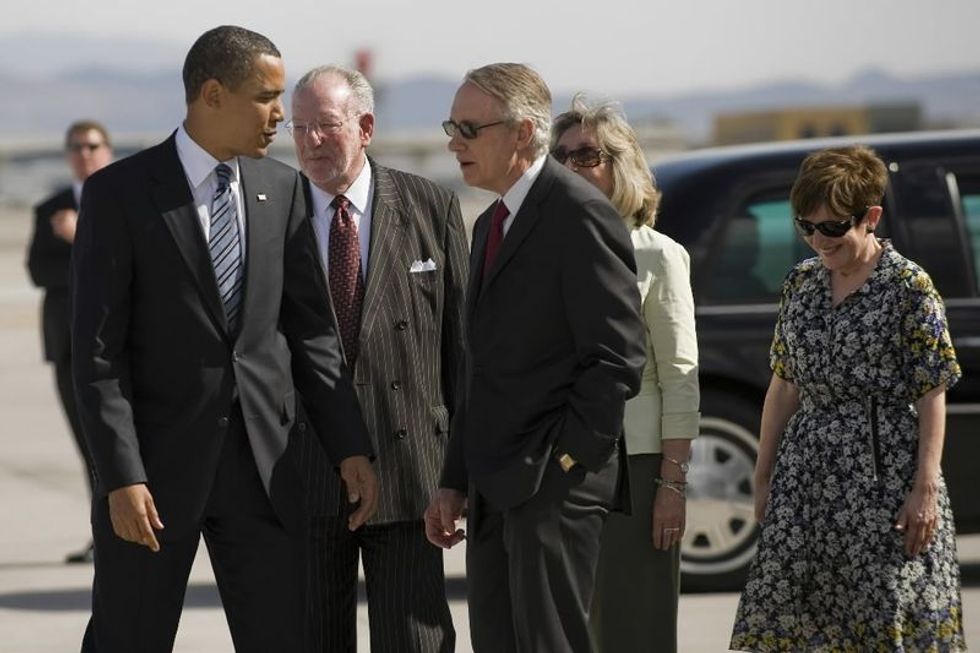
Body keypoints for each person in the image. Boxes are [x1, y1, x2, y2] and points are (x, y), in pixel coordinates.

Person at [71, 26, 378, 653]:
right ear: (212, 94)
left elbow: (312, 333)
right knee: (126, 638)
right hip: (152, 480)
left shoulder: (284, 189)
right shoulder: (120, 194)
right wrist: (120, 476)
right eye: (266, 97)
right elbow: (98, 353)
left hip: (265, 474)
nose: (278, 116)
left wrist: (351, 446)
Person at [424, 63, 646, 653]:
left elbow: (619, 358)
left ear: (523, 133)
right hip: (497, 486)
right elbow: (481, 368)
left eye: (469, 128)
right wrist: (454, 480)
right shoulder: (492, 221)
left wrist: (565, 464)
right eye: (452, 126)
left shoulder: (577, 213)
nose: (454, 142)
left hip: (552, 487)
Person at [730, 145, 966, 651]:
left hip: (883, 478)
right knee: (795, 617)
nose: (819, 239)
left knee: (883, 612)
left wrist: (924, 487)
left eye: (833, 227)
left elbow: (932, 391)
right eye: (806, 226)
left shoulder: (909, 287)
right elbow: (784, 383)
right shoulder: (800, 283)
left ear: (870, 217)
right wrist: (764, 473)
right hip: (805, 479)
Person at [288, 65, 467, 653]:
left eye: (327, 126)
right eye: (300, 128)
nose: (311, 141)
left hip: (411, 469)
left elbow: (461, 349)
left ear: (365, 126)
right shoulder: (274, 216)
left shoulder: (429, 207)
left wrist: (459, 472)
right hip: (305, 472)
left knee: (414, 639)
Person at [552, 95, 699, 653]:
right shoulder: (548, 249)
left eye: (586, 154)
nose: (571, 167)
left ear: (622, 164)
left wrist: (671, 485)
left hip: (637, 470)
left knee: (634, 627)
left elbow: (681, 374)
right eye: (560, 157)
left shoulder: (658, 256)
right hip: (561, 462)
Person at [26, 119, 113, 564]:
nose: (84, 153)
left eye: (92, 145)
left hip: (119, 346)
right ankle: (104, 534)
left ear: (108, 151)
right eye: (75, 146)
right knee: (87, 444)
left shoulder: (124, 202)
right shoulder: (51, 209)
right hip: (68, 346)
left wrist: (80, 239)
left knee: (117, 443)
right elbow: (39, 272)